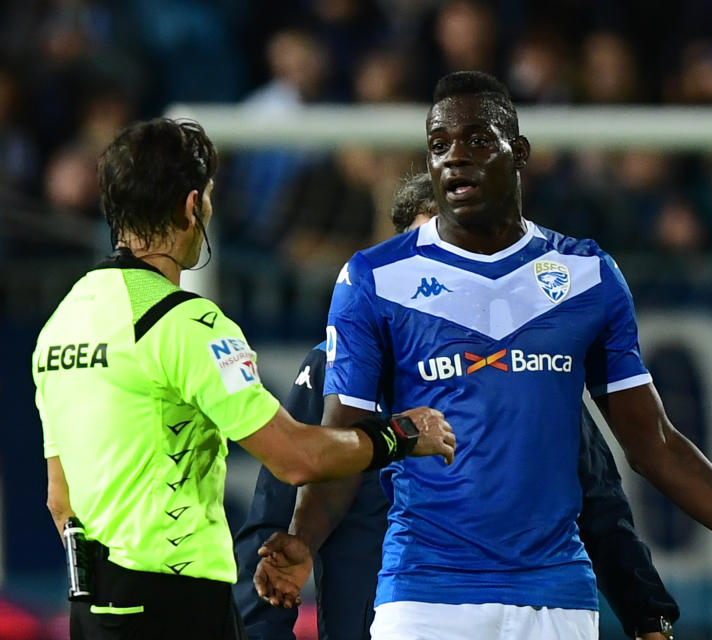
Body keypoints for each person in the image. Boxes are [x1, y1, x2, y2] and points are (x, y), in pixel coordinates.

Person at [254, 71, 712, 640]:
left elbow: (653, 441)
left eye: (476, 139)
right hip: (424, 597)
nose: (455, 156)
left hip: (558, 600)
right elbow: (342, 444)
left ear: (518, 155)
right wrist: (304, 540)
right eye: (439, 143)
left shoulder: (585, 275)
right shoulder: (375, 279)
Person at [32, 117, 455, 640]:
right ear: (192, 207)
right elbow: (295, 457)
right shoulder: (188, 324)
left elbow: (60, 499)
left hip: (91, 606)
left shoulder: (61, 322)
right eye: (207, 197)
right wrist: (399, 435)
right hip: (176, 602)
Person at [233, 171, 680, 640]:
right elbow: (271, 525)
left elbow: (599, 504)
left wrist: (649, 615)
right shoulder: (331, 371)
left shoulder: (528, 374)